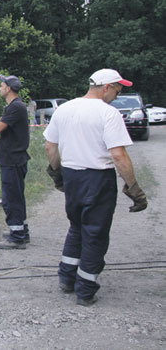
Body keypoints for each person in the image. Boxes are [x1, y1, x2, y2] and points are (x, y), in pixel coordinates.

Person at [43, 69, 147, 306]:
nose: (117, 96)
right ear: (106, 87)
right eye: (118, 90)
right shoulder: (108, 114)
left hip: (72, 176)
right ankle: (86, 289)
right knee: (95, 233)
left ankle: (67, 278)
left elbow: (50, 146)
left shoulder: (65, 109)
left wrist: (58, 174)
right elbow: (119, 155)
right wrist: (134, 188)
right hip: (97, 179)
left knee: (77, 227)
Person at [0, 74, 31, 249]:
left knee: (11, 198)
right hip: (14, 159)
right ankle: (21, 230)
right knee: (16, 196)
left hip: (12, 160)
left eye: (1, 85)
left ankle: (17, 237)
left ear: (8, 89)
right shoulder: (15, 107)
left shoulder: (15, 107)